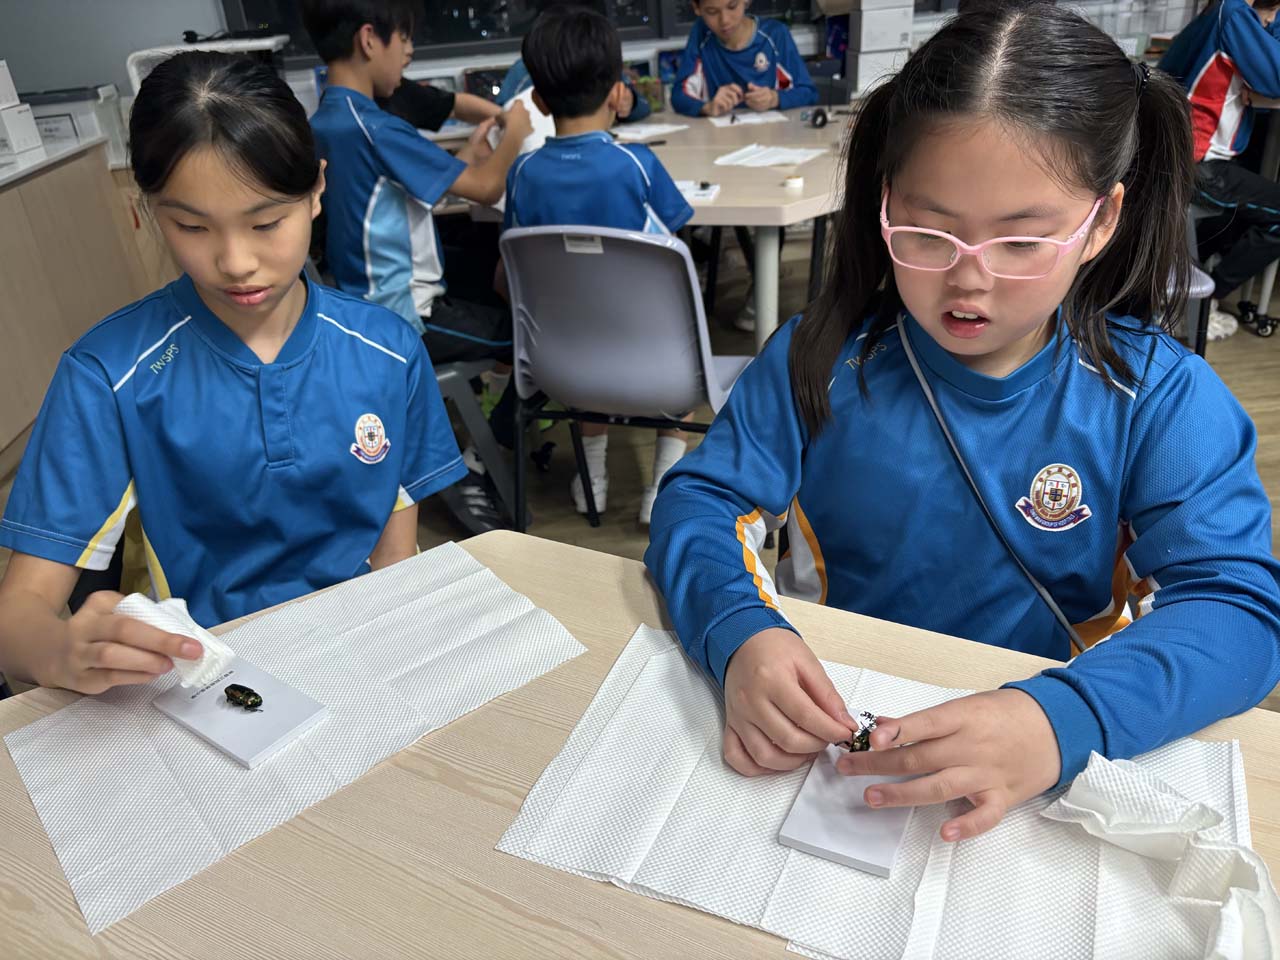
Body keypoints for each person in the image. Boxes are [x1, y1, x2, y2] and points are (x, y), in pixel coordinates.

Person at [645, 1, 1280, 843]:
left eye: (1021, 243)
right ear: (884, 202)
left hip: (1039, 772)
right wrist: (737, 628)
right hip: (844, 736)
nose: (967, 281)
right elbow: (699, 502)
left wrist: (1062, 717)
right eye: (928, 232)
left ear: (1101, 222)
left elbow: (1235, 609)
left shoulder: (1160, 398)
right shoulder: (818, 357)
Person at [0, 52, 466, 694]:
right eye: (191, 226)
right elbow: (17, 618)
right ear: (148, 209)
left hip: (362, 660)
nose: (236, 261)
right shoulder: (108, 375)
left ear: (317, 189)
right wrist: (59, 650)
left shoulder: (387, 350)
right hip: (201, 679)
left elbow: (394, 560)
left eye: (267, 222)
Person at [301, 0, 534, 533]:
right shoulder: (375, 127)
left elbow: (415, 192)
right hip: (405, 321)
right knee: (539, 341)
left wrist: (471, 155)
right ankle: (474, 457)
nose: (408, 51)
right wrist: (515, 133)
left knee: (486, 276)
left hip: (357, 306)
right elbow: (486, 188)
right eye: (403, 38)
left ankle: (471, 427)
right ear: (369, 39)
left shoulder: (328, 121)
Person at [503, 5, 694, 524]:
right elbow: (675, 248)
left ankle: (594, 486)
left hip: (563, 368)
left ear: (539, 100)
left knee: (585, 327)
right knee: (673, 333)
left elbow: (510, 275)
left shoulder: (522, 174)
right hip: (660, 368)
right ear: (616, 91)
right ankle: (660, 492)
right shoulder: (637, 164)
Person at [1160, 0, 1280, 326]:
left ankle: (1192, 278)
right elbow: (1276, 78)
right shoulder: (1234, 14)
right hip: (1199, 164)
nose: (1270, 22)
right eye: (1271, 14)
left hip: (1180, 154)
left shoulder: (1217, 12)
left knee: (1246, 205)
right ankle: (1208, 297)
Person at [671, 0, 817, 118]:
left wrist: (774, 98)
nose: (724, 20)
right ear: (697, 8)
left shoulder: (775, 34)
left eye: (732, 6)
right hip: (722, 137)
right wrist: (707, 107)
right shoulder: (702, 34)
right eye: (712, 12)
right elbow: (678, 97)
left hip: (773, 136)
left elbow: (809, 93)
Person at [497, 55, 652, 123]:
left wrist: (631, 101)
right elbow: (499, 120)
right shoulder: (527, 68)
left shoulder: (600, 59)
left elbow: (644, 107)